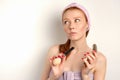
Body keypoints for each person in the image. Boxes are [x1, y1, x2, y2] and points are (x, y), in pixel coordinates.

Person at [41, 3, 107, 80]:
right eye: (66, 22)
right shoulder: (54, 51)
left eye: (77, 20)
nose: (71, 26)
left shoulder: (99, 59)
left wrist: (85, 76)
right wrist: (54, 76)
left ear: (87, 24)